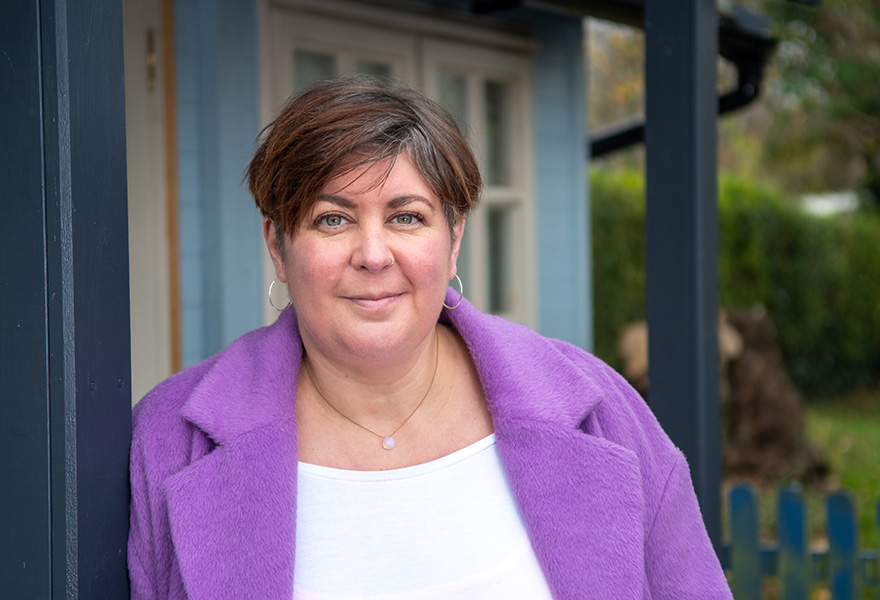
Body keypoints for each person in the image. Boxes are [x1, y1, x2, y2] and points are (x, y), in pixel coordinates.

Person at [128, 76, 732, 600]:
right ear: (277, 247)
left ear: (454, 238)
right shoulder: (169, 440)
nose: (372, 255)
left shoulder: (603, 412)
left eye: (406, 216)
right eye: (332, 218)